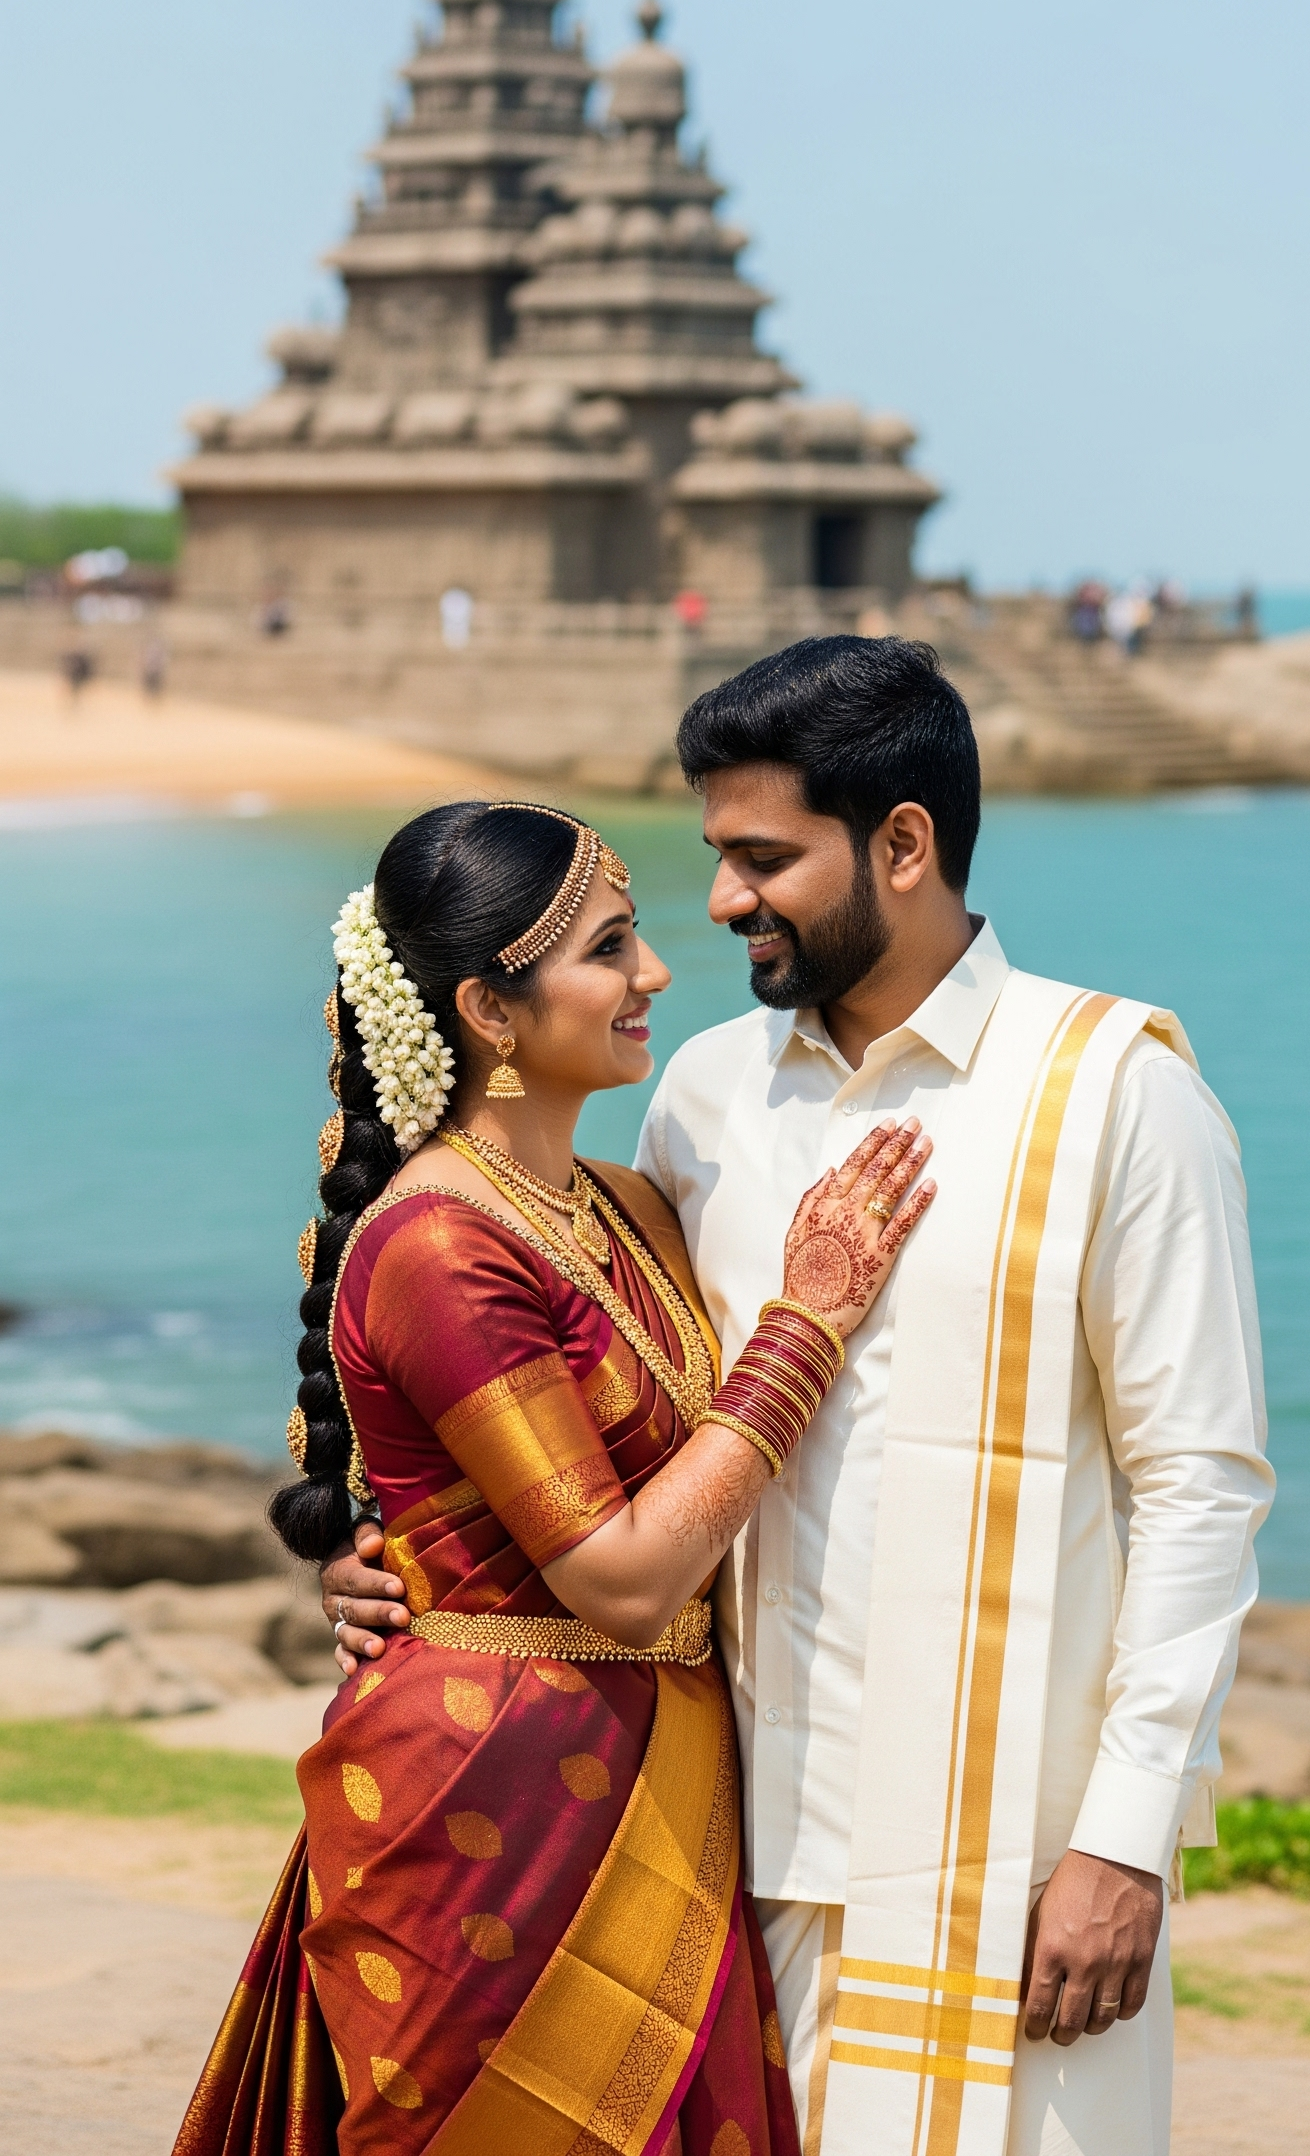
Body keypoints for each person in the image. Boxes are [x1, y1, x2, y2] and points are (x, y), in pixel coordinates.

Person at [330, 640, 1273, 2156]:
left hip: (1014, 1861)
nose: (719, 905)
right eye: (713, 857)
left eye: (763, 858)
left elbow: (1199, 1487)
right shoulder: (705, 1093)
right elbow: (563, 1363)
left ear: (903, 845)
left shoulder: (1113, 1090)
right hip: (724, 1840)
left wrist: (1126, 1838)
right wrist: (409, 1560)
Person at [177, 796, 933, 2156]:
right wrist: (806, 1327)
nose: (654, 974)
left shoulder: (629, 1206)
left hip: (658, 1776)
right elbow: (628, 1580)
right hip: (490, 1805)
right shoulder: (437, 1248)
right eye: (611, 947)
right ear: (488, 1006)